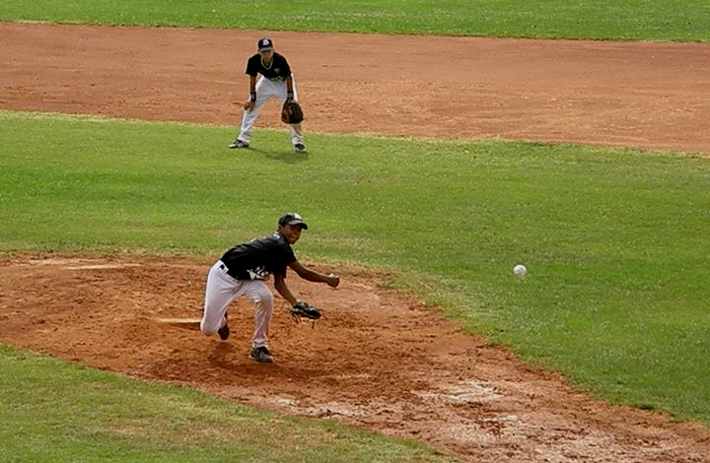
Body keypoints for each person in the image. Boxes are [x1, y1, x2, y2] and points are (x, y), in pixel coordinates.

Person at [200, 212, 340, 363]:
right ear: (280, 228)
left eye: (299, 230)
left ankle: (259, 347)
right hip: (223, 277)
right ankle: (222, 322)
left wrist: (295, 303)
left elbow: (279, 283)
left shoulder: (281, 248)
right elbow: (303, 272)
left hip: (247, 280)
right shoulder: (278, 246)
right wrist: (328, 280)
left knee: (266, 298)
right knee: (208, 330)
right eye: (292, 228)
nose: (296, 232)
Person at [229, 37, 307, 154]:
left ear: (273, 50)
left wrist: (290, 98)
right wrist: (252, 98)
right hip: (266, 82)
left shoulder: (280, 60)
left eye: (269, 51)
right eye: (264, 51)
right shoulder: (253, 61)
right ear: (259, 51)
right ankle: (243, 139)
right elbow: (252, 78)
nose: (267, 54)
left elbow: (288, 77)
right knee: (251, 109)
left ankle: (298, 143)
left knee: (292, 112)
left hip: (283, 84)